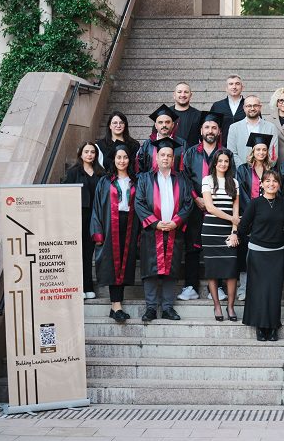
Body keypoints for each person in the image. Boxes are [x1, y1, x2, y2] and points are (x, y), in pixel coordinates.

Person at [134, 137, 193, 322]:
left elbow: (188, 203)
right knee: (150, 270)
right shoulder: (145, 179)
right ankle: (151, 308)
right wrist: (154, 222)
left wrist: (177, 221)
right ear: (156, 157)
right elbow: (139, 203)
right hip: (152, 232)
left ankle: (167, 308)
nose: (166, 158)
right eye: (162, 155)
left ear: (173, 159)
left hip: (174, 231)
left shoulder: (182, 179)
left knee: (171, 270)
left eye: (169, 155)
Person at [179, 111, 225, 301]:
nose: (210, 130)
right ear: (201, 130)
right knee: (192, 247)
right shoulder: (190, 153)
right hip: (195, 206)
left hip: (218, 206)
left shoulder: (224, 154)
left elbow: (229, 178)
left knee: (217, 247)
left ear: (219, 131)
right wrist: (196, 198)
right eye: (207, 127)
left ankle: (219, 287)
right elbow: (184, 177)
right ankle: (191, 286)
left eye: (214, 127)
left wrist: (215, 200)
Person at [90, 143, 139, 322]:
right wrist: (97, 232)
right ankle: (116, 305)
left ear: (129, 160)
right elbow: (97, 207)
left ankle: (116, 306)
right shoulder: (105, 181)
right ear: (114, 159)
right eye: (119, 157)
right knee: (112, 263)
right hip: (110, 224)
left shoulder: (136, 181)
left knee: (125, 264)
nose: (122, 160)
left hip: (130, 224)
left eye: (125, 157)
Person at [238, 170, 284, 342]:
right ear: (262, 184)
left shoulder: (283, 203)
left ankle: (273, 327)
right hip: (258, 253)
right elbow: (243, 227)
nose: (271, 184)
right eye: (268, 181)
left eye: (275, 181)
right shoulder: (255, 203)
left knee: (274, 291)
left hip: (277, 253)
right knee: (258, 290)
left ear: (279, 185)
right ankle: (260, 326)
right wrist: (252, 241)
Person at [62, 141, 105, 298]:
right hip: (78, 215)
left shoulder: (101, 173)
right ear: (80, 154)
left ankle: (88, 286)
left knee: (89, 252)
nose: (89, 155)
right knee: (77, 253)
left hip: (95, 216)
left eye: (92, 152)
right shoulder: (73, 172)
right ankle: (78, 287)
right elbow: (65, 195)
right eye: (86, 152)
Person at [201, 149, 240, 321]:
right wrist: (232, 219)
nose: (223, 164)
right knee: (212, 270)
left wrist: (234, 231)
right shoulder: (207, 180)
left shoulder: (234, 182)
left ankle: (230, 307)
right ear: (215, 163)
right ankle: (217, 306)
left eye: (226, 161)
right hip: (211, 231)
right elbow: (210, 207)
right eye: (220, 161)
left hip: (228, 232)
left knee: (231, 271)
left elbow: (236, 209)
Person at [235, 133, 275, 302]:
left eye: (264, 149)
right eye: (258, 149)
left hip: (266, 219)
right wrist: (252, 212)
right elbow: (241, 192)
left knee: (263, 255)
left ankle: (260, 288)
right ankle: (244, 288)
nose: (261, 152)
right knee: (245, 253)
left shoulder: (272, 171)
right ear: (253, 151)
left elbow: (275, 191)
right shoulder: (243, 169)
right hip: (247, 217)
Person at [226, 95, 279, 169]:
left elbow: (273, 153)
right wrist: (244, 170)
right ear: (244, 108)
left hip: (265, 172)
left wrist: (261, 169)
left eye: (255, 105)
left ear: (260, 107)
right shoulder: (234, 128)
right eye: (249, 106)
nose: (252, 108)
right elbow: (232, 153)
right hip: (241, 172)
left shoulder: (271, 127)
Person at [137, 104, 187, 173]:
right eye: (160, 122)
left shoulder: (181, 144)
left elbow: (186, 168)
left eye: (167, 122)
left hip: (175, 179)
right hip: (151, 179)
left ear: (172, 125)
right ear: (156, 125)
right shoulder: (148, 144)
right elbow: (139, 168)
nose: (164, 125)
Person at [210, 74, 245, 147]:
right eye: (231, 84)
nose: (234, 87)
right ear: (226, 88)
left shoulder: (250, 106)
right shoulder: (217, 106)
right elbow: (211, 127)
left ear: (242, 87)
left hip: (244, 146)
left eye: (237, 84)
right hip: (222, 147)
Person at [171, 81, 202, 147]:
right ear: (174, 95)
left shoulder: (198, 115)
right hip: (170, 152)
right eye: (179, 92)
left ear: (190, 95)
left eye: (186, 92)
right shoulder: (165, 113)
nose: (183, 95)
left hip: (191, 152)